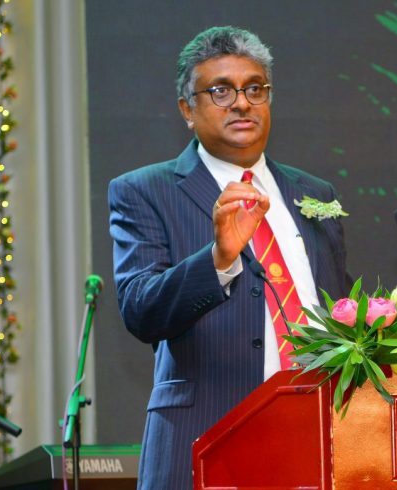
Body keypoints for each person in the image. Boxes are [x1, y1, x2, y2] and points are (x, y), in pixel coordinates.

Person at [108, 26, 351, 489]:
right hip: (206, 438)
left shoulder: (314, 193)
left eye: (254, 88)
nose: (242, 103)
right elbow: (141, 311)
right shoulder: (145, 191)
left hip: (318, 441)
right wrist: (218, 259)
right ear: (187, 109)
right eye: (221, 91)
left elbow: (338, 308)